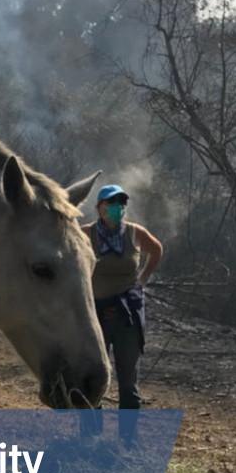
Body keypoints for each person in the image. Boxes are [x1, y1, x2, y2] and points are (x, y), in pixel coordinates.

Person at [84, 185, 163, 440]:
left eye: (121, 203)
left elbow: (156, 250)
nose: (118, 208)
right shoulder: (85, 234)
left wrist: (142, 280)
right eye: (112, 203)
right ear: (100, 208)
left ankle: (127, 441)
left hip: (127, 313)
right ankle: (91, 436)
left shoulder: (134, 233)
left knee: (128, 380)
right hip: (95, 312)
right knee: (92, 375)